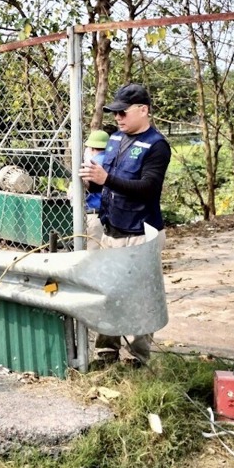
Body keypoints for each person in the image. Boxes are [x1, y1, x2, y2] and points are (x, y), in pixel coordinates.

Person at [78, 83, 171, 365]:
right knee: (109, 291)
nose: (118, 118)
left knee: (140, 295)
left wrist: (107, 179)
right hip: (112, 228)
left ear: (144, 110)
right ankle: (107, 351)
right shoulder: (116, 139)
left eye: (123, 113)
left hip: (140, 232)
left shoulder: (156, 146)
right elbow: (107, 183)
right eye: (115, 113)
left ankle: (138, 358)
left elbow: (148, 187)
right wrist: (95, 185)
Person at [81, 129, 110, 250]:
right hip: (111, 214)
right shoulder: (113, 161)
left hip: (95, 212)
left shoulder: (91, 164)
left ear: (91, 148)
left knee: (93, 253)